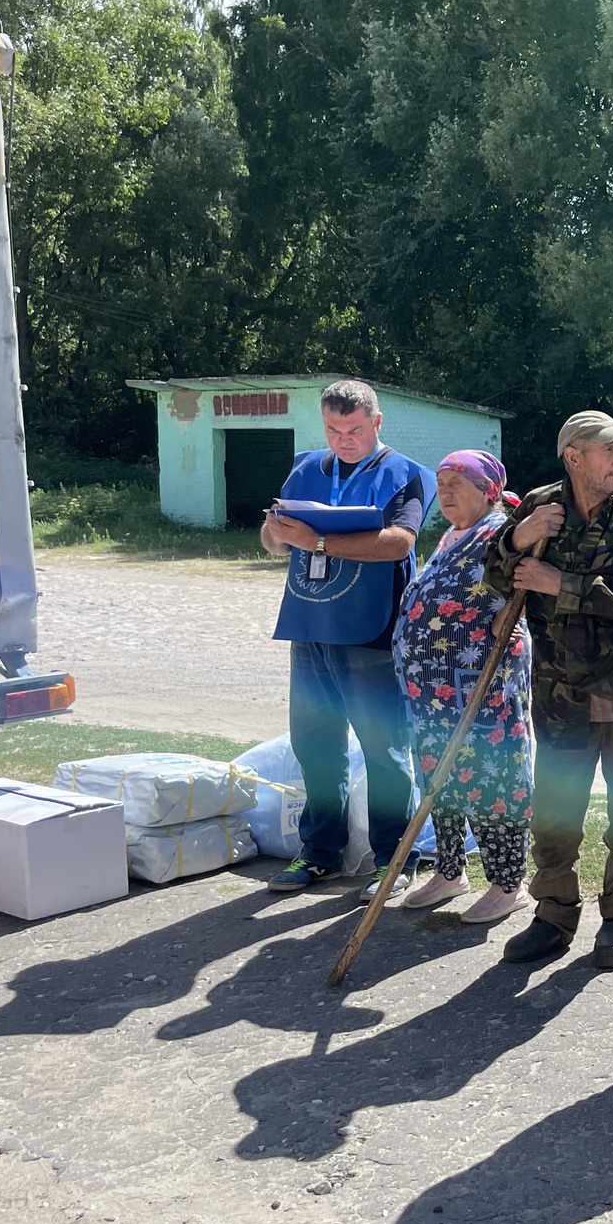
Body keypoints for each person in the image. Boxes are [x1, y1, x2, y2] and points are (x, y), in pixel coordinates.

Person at [485, 410, 613, 968]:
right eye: (611, 449)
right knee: (556, 815)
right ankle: (554, 915)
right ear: (574, 456)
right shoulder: (541, 507)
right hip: (560, 691)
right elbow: (495, 577)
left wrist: (561, 583)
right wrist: (520, 536)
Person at [261, 380, 435, 893]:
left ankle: (394, 860)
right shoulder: (305, 468)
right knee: (315, 745)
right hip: (310, 626)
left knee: (384, 750)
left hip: (371, 632)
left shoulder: (405, 474)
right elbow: (272, 543)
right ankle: (320, 853)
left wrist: (317, 541)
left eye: (354, 430)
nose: (344, 440)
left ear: (377, 422)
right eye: (334, 430)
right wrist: (276, 532)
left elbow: (399, 543)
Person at [392, 450, 535, 924]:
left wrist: (508, 617)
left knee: (492, 778)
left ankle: (508, 883)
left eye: (458, 483)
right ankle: (450, 871)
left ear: (488, 489)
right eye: (441, 484)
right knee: (439, 776)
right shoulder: (452, 534)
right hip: (433, 692)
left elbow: (526, 585)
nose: (446, 492)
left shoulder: (501, 531)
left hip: (481, 687)